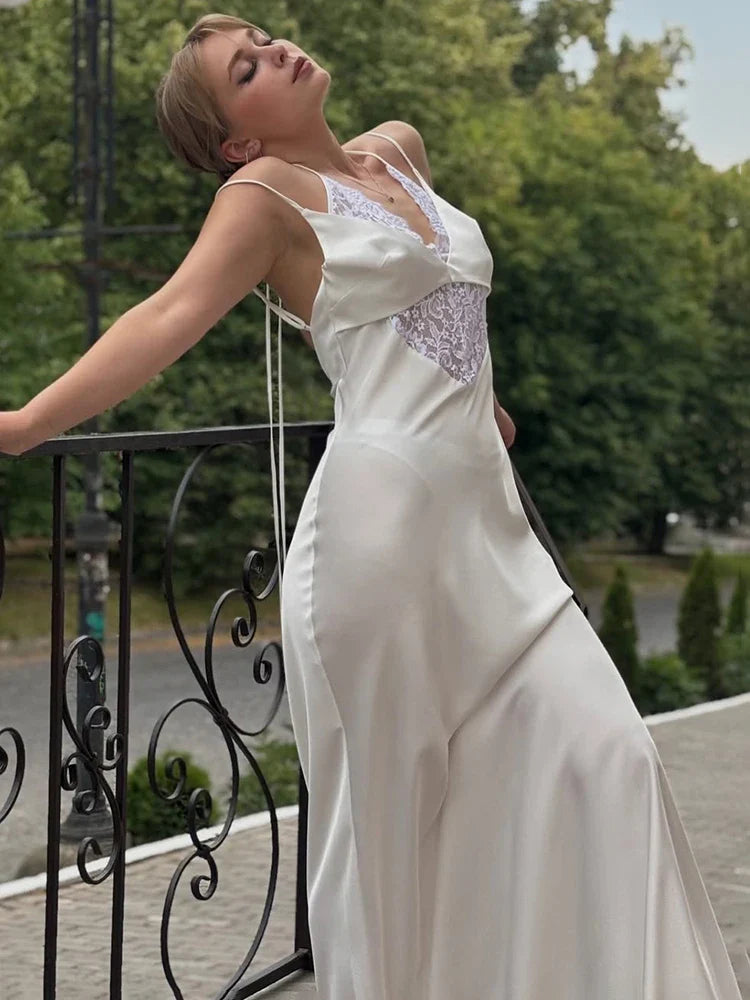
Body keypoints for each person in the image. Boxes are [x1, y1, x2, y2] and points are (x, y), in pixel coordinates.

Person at [0, 13, 745, 1000]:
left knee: (611, 757)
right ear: (237, 137)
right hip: (378, 551)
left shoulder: (399, 149)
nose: (279, 51)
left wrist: (482, 398)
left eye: (266, 37)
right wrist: (23, 425)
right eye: (247, 68)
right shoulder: (261, 195)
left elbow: (440, 303)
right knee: (398, 845)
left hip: (494, 543)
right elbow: (167, 316)